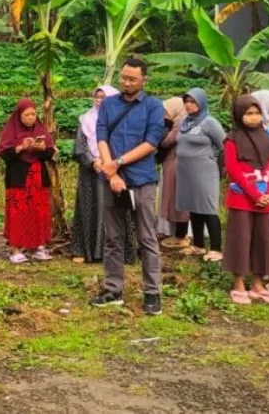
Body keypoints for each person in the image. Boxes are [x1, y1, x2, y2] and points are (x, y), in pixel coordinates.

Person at [93, 57, 165, 316]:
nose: (126, 82)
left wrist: (118, 163)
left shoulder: (154, 107)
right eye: (123, 77)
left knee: (147, 238)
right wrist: (110, 171)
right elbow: (101, 135)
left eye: (132, 79)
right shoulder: (109, 104)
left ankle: (152, 292)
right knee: (112, 237)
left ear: (144, 80)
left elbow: (152, 142)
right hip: (111, 179)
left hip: (142, 179)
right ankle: (113, 289)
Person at [223, 95, 269, 305]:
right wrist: (255, 194)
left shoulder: (267, 139)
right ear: (239, 115)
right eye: (249, 113)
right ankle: (239, 283)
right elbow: (233, 169)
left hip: (265, 200)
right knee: (241, 239)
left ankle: (258, 284)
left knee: (264, 240)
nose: (254, 118)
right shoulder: (232, 138)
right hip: (242, 198)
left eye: (257, 113)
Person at [0, 98, 55, 264]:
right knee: (18, 211)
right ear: (19, 116)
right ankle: (16, 248)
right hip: (18, 179)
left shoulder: (40, 129)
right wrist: (21, 147)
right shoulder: (11, 131)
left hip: (38, 178)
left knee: (40, 211)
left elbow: (49, 153)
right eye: (27, 114)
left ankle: (39, 246)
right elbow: (5, 154)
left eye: (33, 114)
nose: (31, 117)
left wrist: (43, 148)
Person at [175, 88, 226, 262]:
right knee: (194, 207)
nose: (189, 105)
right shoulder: (184, 122)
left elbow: (224, 145)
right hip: (186, 173)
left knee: (208, 208)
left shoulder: (209, 122)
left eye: (193, 102)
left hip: (204, 171)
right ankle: (198, 245)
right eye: (187, 101)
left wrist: (218, 165)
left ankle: (216, 248)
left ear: (201, 103)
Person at [71, 85, 119, 263]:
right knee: (88, 208)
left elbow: (124, 143)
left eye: (103, 97)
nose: (99, 100)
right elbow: (79, 147)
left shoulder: (119, 119)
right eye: (97, 97)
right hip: (89, 174)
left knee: (113, 211)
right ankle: (84, 249)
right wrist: (93, 161)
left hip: (113, 170)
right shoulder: (85, 120)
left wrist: (109, 162)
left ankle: (112, 252)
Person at [157, 97, 191, 249]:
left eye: (167, 111)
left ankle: (180, 237)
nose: (165, 114)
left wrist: (163, 133)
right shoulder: (183, 121)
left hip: (177, 162)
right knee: (175, 199)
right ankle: (176, 234)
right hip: (174, 162)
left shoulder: (180, 123)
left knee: (178, 200)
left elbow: (166, 142)